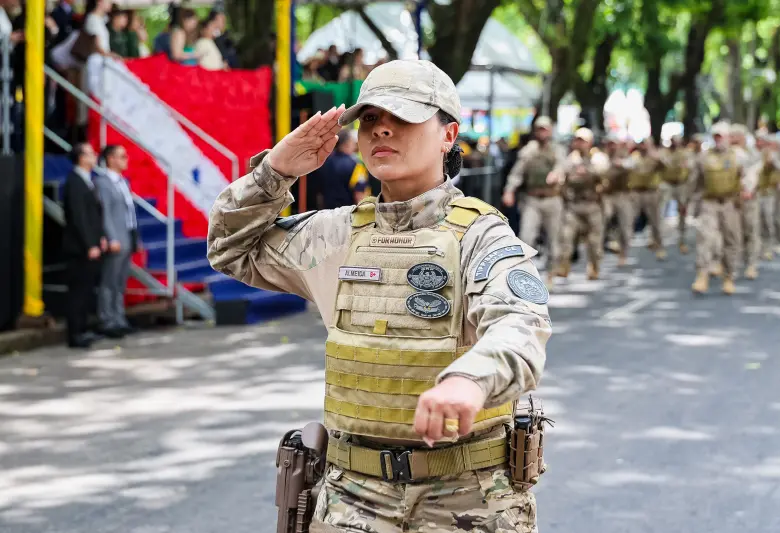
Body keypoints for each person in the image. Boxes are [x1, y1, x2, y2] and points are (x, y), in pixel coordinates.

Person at [208, 59, 551, 532]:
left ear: (449, 135)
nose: (382, 129)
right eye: (370, 118)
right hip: (350, 500)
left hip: (468, 500)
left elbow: (521, 325)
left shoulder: (482, 237)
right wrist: (275, 171)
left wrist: (469, 381)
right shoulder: (334, 234)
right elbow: (229, 249)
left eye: (403, 116)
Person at [501, 116, 565, 289]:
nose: (542, 132)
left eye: (545, 129)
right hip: (532, 200)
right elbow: (517, 173)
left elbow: (562, 165)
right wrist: (509, 190)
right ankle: (526, 276)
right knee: (527, 237)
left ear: (550, 131)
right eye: (539, 129)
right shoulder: (528, 150)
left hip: (552, 199)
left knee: (553, 240)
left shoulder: (557, 150)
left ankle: (551, 274)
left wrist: (557, 174)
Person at [691, 122, 746, 295]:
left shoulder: (739, 156)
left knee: (731, 240)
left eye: (721, 136)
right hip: (709, 202)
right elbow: (696, 181)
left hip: (730, 202)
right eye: (716, 137)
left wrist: (746, 190)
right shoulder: (704, 157)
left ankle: (729, 277)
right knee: (706, 238)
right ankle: (702, 275)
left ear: (728, 138)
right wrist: (691, 203)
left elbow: (748, 176)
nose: (718, 140)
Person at [63, 143, 106, 349]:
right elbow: (79, 217)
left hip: (91, 244)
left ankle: (83, 328)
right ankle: (75, 334)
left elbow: (94, 215)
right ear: (80, 157)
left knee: (87, 289)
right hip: (79, 247)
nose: (94, 156)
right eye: (90, 153)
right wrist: (90, 244)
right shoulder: (74, 182)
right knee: (78, 291)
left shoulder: (88, 180)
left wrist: (101, 237)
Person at [95, 144, 139, 338]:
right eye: (122, 156)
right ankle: (107, 319)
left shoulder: (123, 182)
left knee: (120, 281)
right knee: (109, 281)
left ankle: (119, 318)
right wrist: (111, 237)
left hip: (127, 234)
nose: (126, 160)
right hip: (116, 237)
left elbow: (129, 213)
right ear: (111, 159)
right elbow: (104, 213)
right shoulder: (103, 183)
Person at [554, 128, 609, 280]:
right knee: (566, 237)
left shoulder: (598, 158)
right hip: (573, 205)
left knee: (594, 241)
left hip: (593, 205)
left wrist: (588, 171)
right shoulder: (570, 159)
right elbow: (561, 176)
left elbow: (604, 173)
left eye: (582, 141)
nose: (579, 144)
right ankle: (563, 266)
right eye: (577, 140)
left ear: (589, 142)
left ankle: (594, 267)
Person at [729, 124, 762, 280]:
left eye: (736, 136)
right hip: (732, 199)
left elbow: (755, 173)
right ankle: (732, 265)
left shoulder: (752, 154)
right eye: (731, 136)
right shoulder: (727, 153)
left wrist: (748, 189)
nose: (733, 139)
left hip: (748, 198)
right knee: (733, 233)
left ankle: (751, 264)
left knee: (750, 230)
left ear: (743, 137)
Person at [628, 137, 667, 260]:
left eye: (644, 144)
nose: (642, 146)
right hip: (636, 192)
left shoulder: (655, 157)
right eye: (641, 144)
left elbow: (665, 167)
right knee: (629, 218)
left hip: (651, 192)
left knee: (655, 221)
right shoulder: (634, 157)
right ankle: (623, 250)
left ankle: (659, 246)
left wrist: (654, 155)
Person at [308, 129, 368, 210]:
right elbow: (359, 194)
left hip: (326, 212)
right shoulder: (356, 165)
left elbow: (319, 193)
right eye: (352, 142)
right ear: (346, 144)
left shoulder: (323, 162)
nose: (354, 146)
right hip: (347, 213)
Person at [603, 134, 636, 266]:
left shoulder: (625, 156)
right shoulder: (602, 157)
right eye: (609, 144)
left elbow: (632, 164)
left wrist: (620, 163)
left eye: (613, 144)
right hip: (608, 195)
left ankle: (623, 253)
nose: (611, 147)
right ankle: (609, 241)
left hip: (623, 195)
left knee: (625, 226)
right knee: (605, 216)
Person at [661, 135, 693, 255]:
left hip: (681, 184)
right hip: (668, 183)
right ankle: (659, 238)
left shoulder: (685, 153)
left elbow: (689, 168)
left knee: (682, 211)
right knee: (662, 210)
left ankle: (682, 237)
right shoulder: (665, 153)